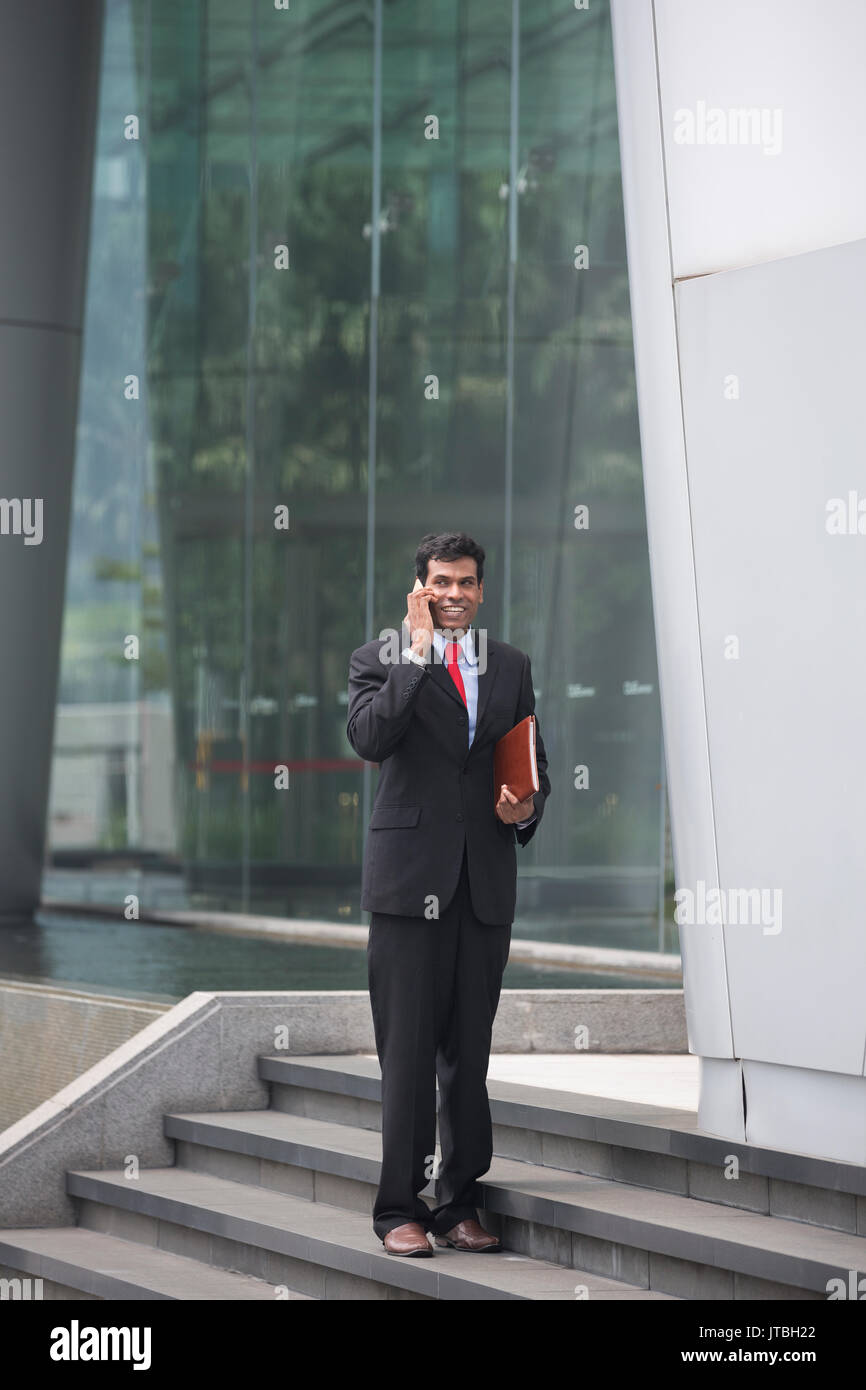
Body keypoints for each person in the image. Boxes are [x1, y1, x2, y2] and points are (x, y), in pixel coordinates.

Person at [346, 532, 550, 1257]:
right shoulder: (379, 659)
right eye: (441, 582)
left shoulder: (513, 667)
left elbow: (531, 766)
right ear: (420, 588)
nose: (455, 592)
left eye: (466, 582)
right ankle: (397, 1208)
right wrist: (418, 650)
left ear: (481, 590)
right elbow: (370, 738)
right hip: (408, 887)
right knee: (406, 1055)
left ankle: (458, 1203)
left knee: (470, 1051)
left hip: (482, 886)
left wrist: (523, 808)